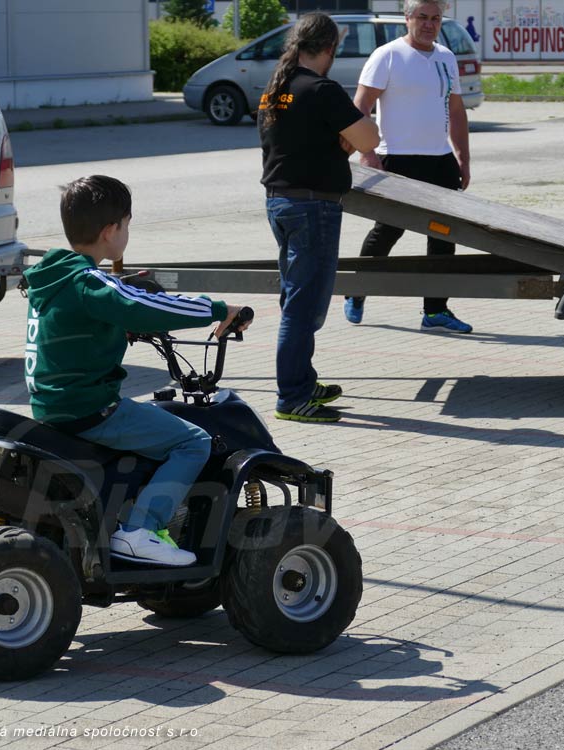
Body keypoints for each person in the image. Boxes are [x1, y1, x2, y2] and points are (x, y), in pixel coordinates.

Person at [23, 175, 250, 565]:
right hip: (89, 408)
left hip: (52, 405)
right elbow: (144, 306)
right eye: (127, 225)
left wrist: (117, 329)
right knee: (192, 442)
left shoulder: (52, 277)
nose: (127, 233)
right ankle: (140, 530)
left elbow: (75, 328)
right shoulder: (88, 281)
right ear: (110, 231)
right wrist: (219, 310)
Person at [260, 12, 380, 423]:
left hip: (281, 202)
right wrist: (349, 136)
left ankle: (302, 381)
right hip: (312, 207)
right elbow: (369, 138)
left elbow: (299, 143)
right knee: (304, 305)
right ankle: (292, 397)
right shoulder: (321, 89)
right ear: (330, 48)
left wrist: (339, 140)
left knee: (298, 298)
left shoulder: (277, 88)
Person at [343, 0, 474, 334]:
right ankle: (357, 290)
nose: (429, 24)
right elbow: (361, 107)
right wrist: (367, 153)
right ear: (407, 18)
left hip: (439, 160)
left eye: (436, 18)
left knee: (444, 235)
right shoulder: (387, 55)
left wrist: (463, 156)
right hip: (397, 158)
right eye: (422, 17)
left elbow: (456, 111)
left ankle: (435, 310)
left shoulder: (446, 57)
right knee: (389, 230)